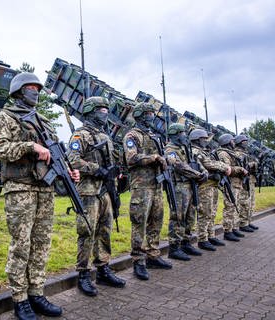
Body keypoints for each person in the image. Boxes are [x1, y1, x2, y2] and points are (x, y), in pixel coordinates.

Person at [0, 72, 77, 320]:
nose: (35, 92)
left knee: (41, 243)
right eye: (30, 87)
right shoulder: (4, 118)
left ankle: (37, 293)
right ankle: (19, 299)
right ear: (18, 90)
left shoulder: (44, 120)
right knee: (22, 245)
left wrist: (70, 172)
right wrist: (30, 147)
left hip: (44, 190)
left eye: (37, 88)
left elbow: (56, 150)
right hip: (20, 189)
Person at [67, 96, 126, 297]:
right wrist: (96, 169)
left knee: (104, 231)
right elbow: (73, 160)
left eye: (105, 109)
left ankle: (103, 269)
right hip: (88, 192)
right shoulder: (80, 135)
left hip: (105, 191)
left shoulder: (106, 136)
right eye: (100, 109)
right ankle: (83, 274)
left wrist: (113, 176)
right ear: (91, 111)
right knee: (86, 232)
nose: (104, 112)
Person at [123, 102, 172, 281]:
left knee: (156, 221)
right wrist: (155, 157)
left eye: (153, 113)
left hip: (156, 185)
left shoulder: (154, 136)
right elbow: (132, 158)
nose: (152, 116)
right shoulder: (132, 135)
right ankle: (138, 260)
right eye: (149, 113)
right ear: (141, 115)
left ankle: (153, 254)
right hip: (141, 187)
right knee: (140, 223)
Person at [165, 123, 207, 261]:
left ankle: (186, 242)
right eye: (182, 133)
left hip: (190, 185)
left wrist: (203, 171)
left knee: (190, 215)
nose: (184, 135)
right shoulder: (170, 150)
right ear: (175, 135)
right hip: (179, 187)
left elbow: (195, 162)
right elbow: (179, 166)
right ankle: (174, 247)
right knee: (178, 217)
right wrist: (197, 174)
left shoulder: (185, 148)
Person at [189, 129, 231, 250]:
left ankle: (210, 235)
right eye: (204, 139)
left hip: (212, 185)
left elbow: (211, 163)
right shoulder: (196, 151)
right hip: (204, 187)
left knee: (211, 213)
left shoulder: (204, 151)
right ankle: (202, 239)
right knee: (205, 213)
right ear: (197, 139)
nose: (206, 141)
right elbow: (209, 164)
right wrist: (224, 167)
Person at [216, 134, 248, 242]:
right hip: (230, 184)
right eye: (232, 141)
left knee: (235, 206)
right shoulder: (223, 153)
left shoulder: (231, 153)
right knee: (229, 208)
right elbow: (227, 169)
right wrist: (240, 169)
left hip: (236, 184)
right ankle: (227, 232)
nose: (234, 143)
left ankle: (233, 228)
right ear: (227, 142)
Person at [234, 134, 256, 232]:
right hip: (243, 181)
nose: (246, 143)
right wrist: (252, 164)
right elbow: (243, 166)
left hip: (250, 180)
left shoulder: (245, 153)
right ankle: (243, 223)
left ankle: (248, 221)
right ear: (239, 142)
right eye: (244, 141)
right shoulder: (238, 153)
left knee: (250, 202)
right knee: (244, 202)